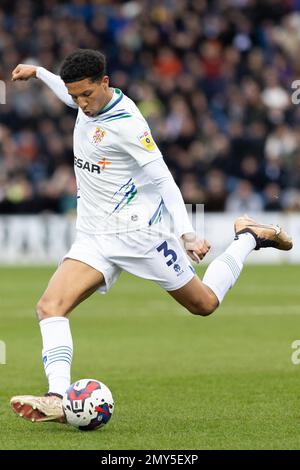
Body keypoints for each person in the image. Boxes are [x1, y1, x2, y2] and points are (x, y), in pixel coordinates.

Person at [10, 49, 292, 424]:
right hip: (94, 237)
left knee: (204, 305)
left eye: (86, 96)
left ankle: (248, 237)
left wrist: (188, 234)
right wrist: (40, 72)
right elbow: (69, 95)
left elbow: (164, 180)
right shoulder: (84, 102)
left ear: (105, 83)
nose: (81, 104)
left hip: (140, 236)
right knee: (49, 307)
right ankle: (57, 397)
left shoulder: (127, 124)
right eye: (75, 96)